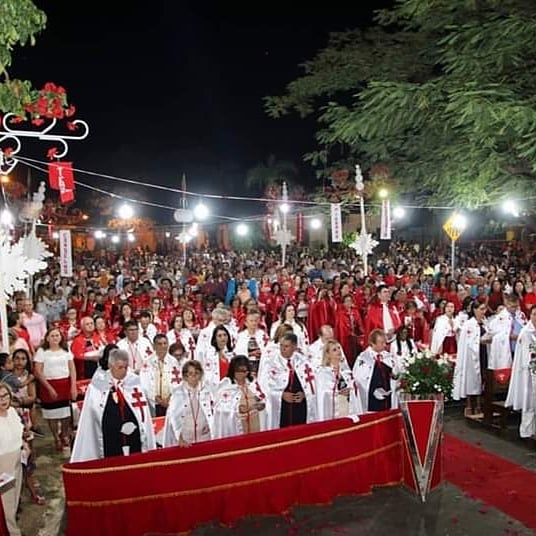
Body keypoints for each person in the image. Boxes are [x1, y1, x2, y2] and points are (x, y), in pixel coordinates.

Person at [71, 349, 156, 462]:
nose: (124, 371)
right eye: (120, 367)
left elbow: (142, 413)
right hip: (109, 436)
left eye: (126, 367)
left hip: (134, 436)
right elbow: (93, 416)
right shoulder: (98, 386)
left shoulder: (134, 383)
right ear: (110, 366)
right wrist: (117, 426)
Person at [258, 332, 317, 428]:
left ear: (294, 347)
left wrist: (304, 394)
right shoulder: (271, 363)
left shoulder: (303, 361)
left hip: (300, 407)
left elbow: (313, 384)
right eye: (281, 345)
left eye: (286, 346)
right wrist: (281, 395)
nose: (282, 349)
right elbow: (264, 387)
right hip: (281, 408)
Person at [33, 328, 77, 452]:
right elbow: (38, 371)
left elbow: (72, 369)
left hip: (65, 384)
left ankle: (64, 434)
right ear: (47, 338)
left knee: (65, 414)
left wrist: (73, 386)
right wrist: (49, 387)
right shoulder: (42, 351)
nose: (55, 338)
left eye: (57, 335)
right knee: (52, 415)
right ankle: (56, 437)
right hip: (49, 385)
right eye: (52, 336)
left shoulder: (66, 349)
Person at [213, 355, 269, 438]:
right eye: (239, 371)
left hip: (255, 422)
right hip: (237, 426)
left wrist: (261, 404)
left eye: (245, 371)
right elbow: (220, 408)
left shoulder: (252, 383)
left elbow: (262, 398)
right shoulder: (225, 386)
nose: (243, 374)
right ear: (233, 371)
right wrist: (237, 409)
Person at [163, 360, 214, 447]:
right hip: (185, 439)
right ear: (185, 376)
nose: (193, 376)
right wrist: (180, 439)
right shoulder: (178, 393)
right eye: (190, 373)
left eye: (196, 373)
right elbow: (174, 417)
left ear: (201, 375)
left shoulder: (207, 390)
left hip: (204, 437)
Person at [453, 301, 491, 415]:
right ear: (474, 310)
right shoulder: (469, 324)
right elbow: (468, 342)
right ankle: (469, 406)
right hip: (471, 356)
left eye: (484, 309)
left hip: (483, 353)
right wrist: (480, 341)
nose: (483, 312)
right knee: (470, 380)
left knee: (482, 378)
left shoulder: (485, 322)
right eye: (481, 309)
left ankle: (479, 405)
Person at [505, 305, 536, 438]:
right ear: (530, 315)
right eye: (535, 314)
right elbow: (527, 355)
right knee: (529, 402)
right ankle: (527, 432)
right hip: (528, 373)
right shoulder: (526, 333)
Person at [0, 383, 26, 536]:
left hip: (18, 458)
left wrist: (24, 445)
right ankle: (14, 532)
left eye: (5, 395)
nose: (3, 400)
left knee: (16, 496)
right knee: (7, 503)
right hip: (3, 463)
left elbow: (18, 432)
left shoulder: (12, 412)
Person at [353, 329, 398, 413]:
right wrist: (373, 390)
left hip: (387, 399)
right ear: (372, 343)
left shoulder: (388, 357)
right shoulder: (363, 358)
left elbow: (395, 373)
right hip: (371, 401)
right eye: (381, 343)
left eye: (385, 342)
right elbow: (359, 379)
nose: (384, 345)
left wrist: (394, 377)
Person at [316, 340, 362, 421]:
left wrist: (350, 391)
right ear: (327, 354)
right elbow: (323, 395)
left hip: (348, 410)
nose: (338, 351)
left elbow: (355, 393)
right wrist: (338, 393)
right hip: (334, 414)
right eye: (334, 350)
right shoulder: (323, 373)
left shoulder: (346, 372)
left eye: (339, 348)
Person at [139, 334, 178, 416]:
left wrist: (169, 398)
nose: (163, 346)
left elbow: (178, 381)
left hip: (170, 401)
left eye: (165, 343)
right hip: (155, 403)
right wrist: (158, 400)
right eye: (159, 344)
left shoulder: (173, 361)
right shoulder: (147, 362)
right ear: (154, 346)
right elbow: (144, 384)